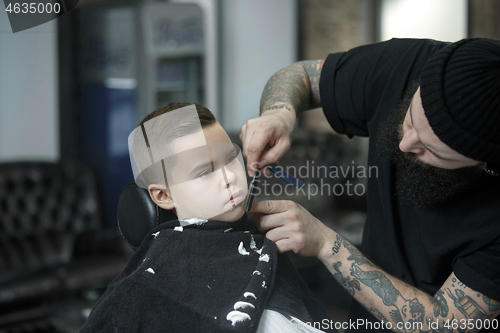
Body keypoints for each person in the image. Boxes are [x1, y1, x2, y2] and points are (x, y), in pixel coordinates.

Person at [240, 38, 500, 332]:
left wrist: (327, 244)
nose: (404, 143)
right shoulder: (409, 63)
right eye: (411, 120)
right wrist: (279, 114)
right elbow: (300, 76)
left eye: (432, 151)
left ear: (485, 164)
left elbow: (442, 325)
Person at [81, 103, 336, 333]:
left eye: (230, 158)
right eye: (204, 172)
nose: (230, 177)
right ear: (163, 195)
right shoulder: (141, 287)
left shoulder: (259, 236)